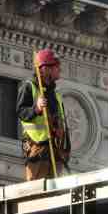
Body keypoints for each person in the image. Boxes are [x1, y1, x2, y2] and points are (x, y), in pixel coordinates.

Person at [16, 49, 70, 180]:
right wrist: (36, 108)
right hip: (37, 148)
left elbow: (61, 121)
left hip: (56, 150)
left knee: (56, 190)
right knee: (37, 187)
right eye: (56, 66)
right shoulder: (29, 87)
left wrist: (65, 145)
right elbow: (21, 112)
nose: (59, 69)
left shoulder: (55, 95)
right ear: (45, 69)